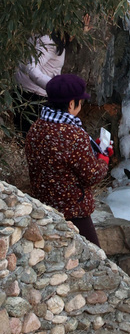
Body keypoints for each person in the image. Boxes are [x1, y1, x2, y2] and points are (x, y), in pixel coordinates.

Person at [25, 73, 109, 245]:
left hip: (43, 209)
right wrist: (103, 158)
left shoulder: (36, 127)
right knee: (94, 260)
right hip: (74, 212)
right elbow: (91, 175)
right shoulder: (74, 134)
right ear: (72, 103)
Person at [15, 34, 68, 136]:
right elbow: (32, 67)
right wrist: (54, 87)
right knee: (28, 138)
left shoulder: (52, 39)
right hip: (33, 96)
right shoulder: (49, 43)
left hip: (31, 92)